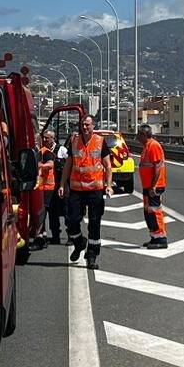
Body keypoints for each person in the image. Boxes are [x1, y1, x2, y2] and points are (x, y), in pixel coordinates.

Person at [62, 113, 112, 268]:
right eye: (82, 124)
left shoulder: (100, 141)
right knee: (72, 220)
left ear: (93, 126)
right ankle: (79, 243)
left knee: (94, 223)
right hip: (76, 189)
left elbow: (108, 165)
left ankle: (92, 255)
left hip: (95, 189)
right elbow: (68, 164)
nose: (84, 127)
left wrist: (109, 185)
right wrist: (62, 185)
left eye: (87, 125)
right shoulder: (74, 141)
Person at [136, 123, 168, 249]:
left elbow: (158, 167)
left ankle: (161, 239)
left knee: (155, 211)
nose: (137, 137)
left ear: (144, 135)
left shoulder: (153, 145)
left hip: (154, 186)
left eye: (139, 135)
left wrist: (153, 186)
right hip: (148, 186)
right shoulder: (147, 146)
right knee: (149, 212)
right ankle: (154, 237)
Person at [35, 128, 60, 249]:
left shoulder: (46, 152)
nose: (44, 140)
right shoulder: (40, 151)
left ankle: (48, 236)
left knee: (46, 212)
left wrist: (39, 166)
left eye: (46, 138)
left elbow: (51, 164)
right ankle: (44, 235)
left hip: (48, 187)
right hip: (41, 187)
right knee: (44, 213)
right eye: (43, 138)